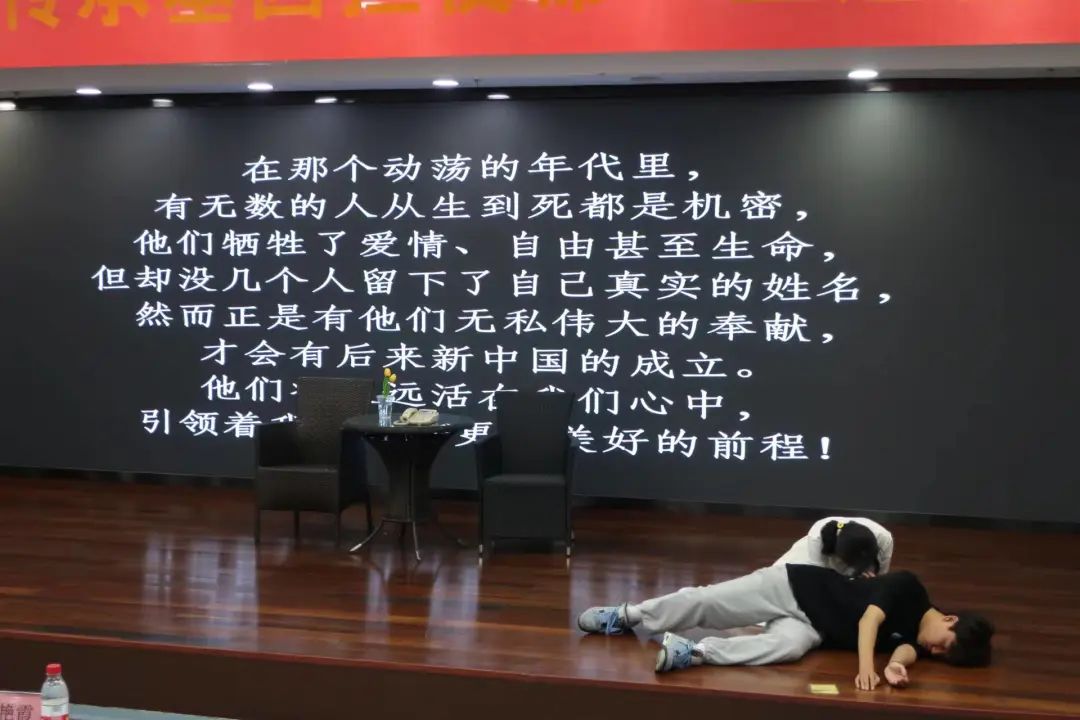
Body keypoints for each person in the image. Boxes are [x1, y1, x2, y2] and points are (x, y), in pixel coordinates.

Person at [577, 565, 993, 688]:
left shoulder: (920, 641)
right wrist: (867, 667)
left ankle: (694, 652)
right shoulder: (910, 588)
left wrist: (896, 666)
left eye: (943, 657)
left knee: (789, 648)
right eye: (945, 644)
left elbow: (907, 650)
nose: (936, 651)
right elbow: (871, 619)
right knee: (708, 602)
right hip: (794, 588)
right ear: (950, 620)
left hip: (814, 628)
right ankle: (629, 616)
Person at [774, 517, 893, 578]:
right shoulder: (817, 539)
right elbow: (818, 581)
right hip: (807, 560)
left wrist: (874, 584)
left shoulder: (884, 538)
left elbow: (882, 578)